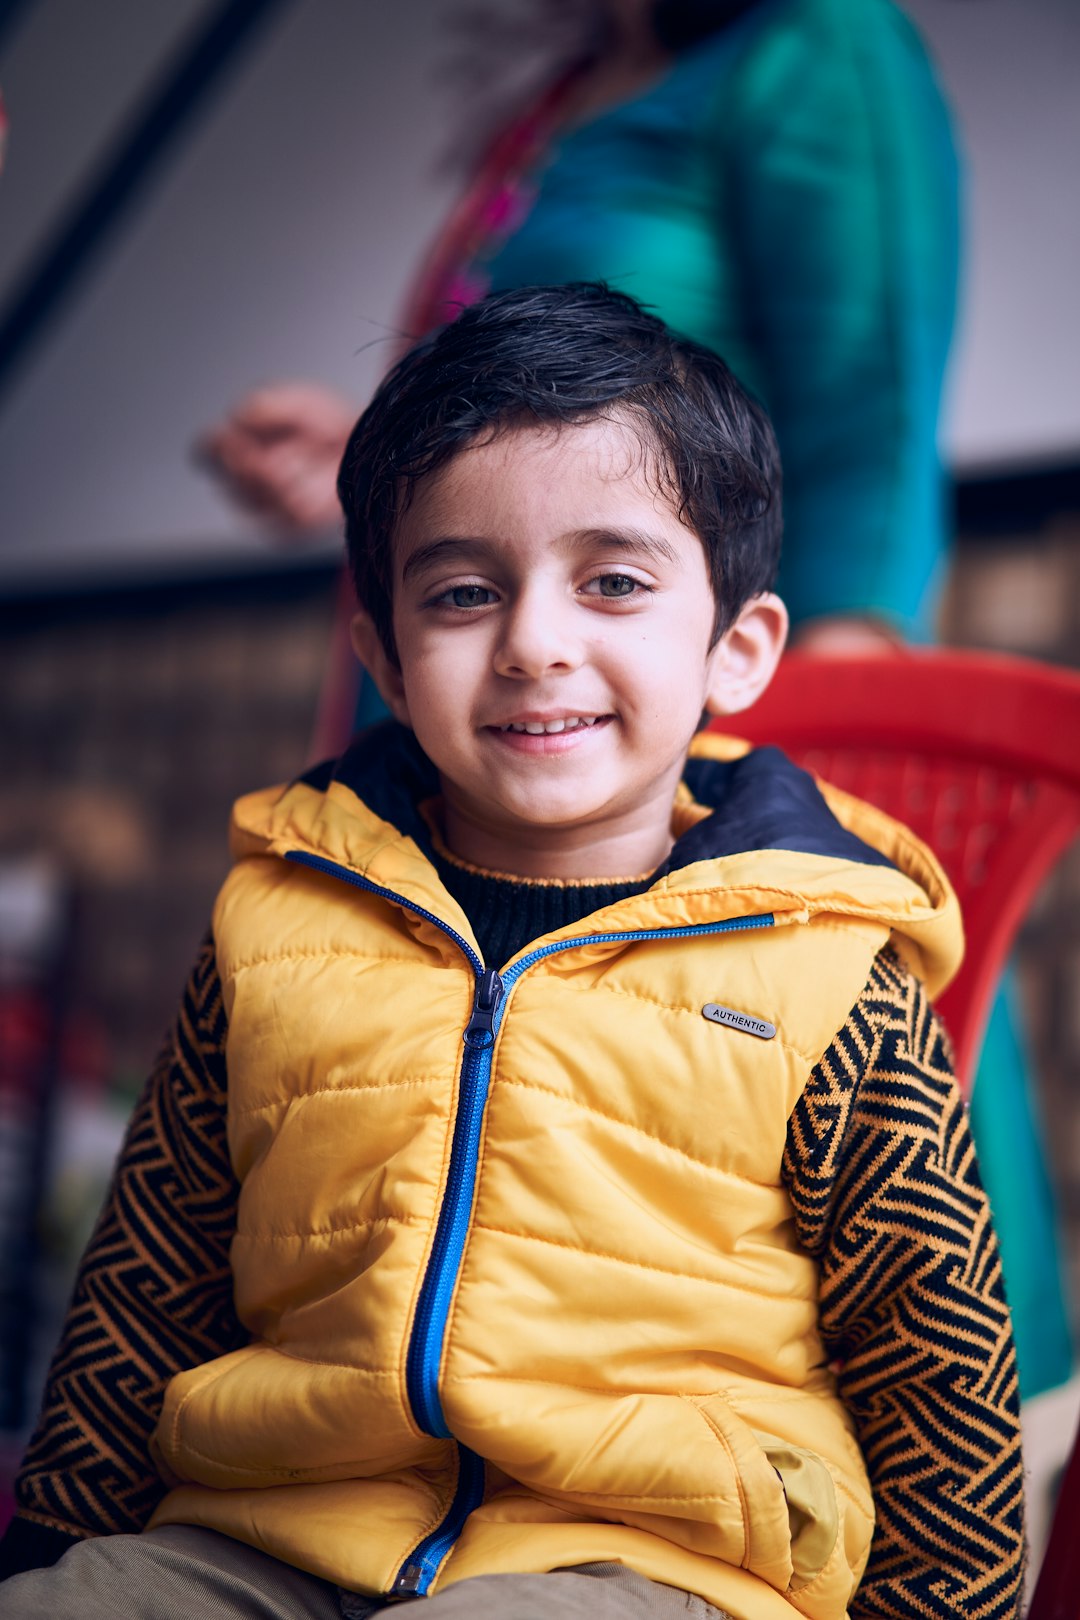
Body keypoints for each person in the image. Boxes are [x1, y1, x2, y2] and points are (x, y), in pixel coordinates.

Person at [0, 286, 1025, 1619]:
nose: (537, 643)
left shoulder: (825, 967)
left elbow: (937, 1364)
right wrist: (49, 1553)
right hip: (271, 1533)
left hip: (650, 1564)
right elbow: (145, 1291)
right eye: (466, 592)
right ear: (382, 649)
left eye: (613, 582)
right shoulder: (281, 923)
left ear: (737, 648)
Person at [199, 0, 1073, 1406]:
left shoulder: (820, 48)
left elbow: (866, 428)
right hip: (512, 763)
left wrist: (794, 836)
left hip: (704, 769)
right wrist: (364, 449)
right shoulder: (569, 89)